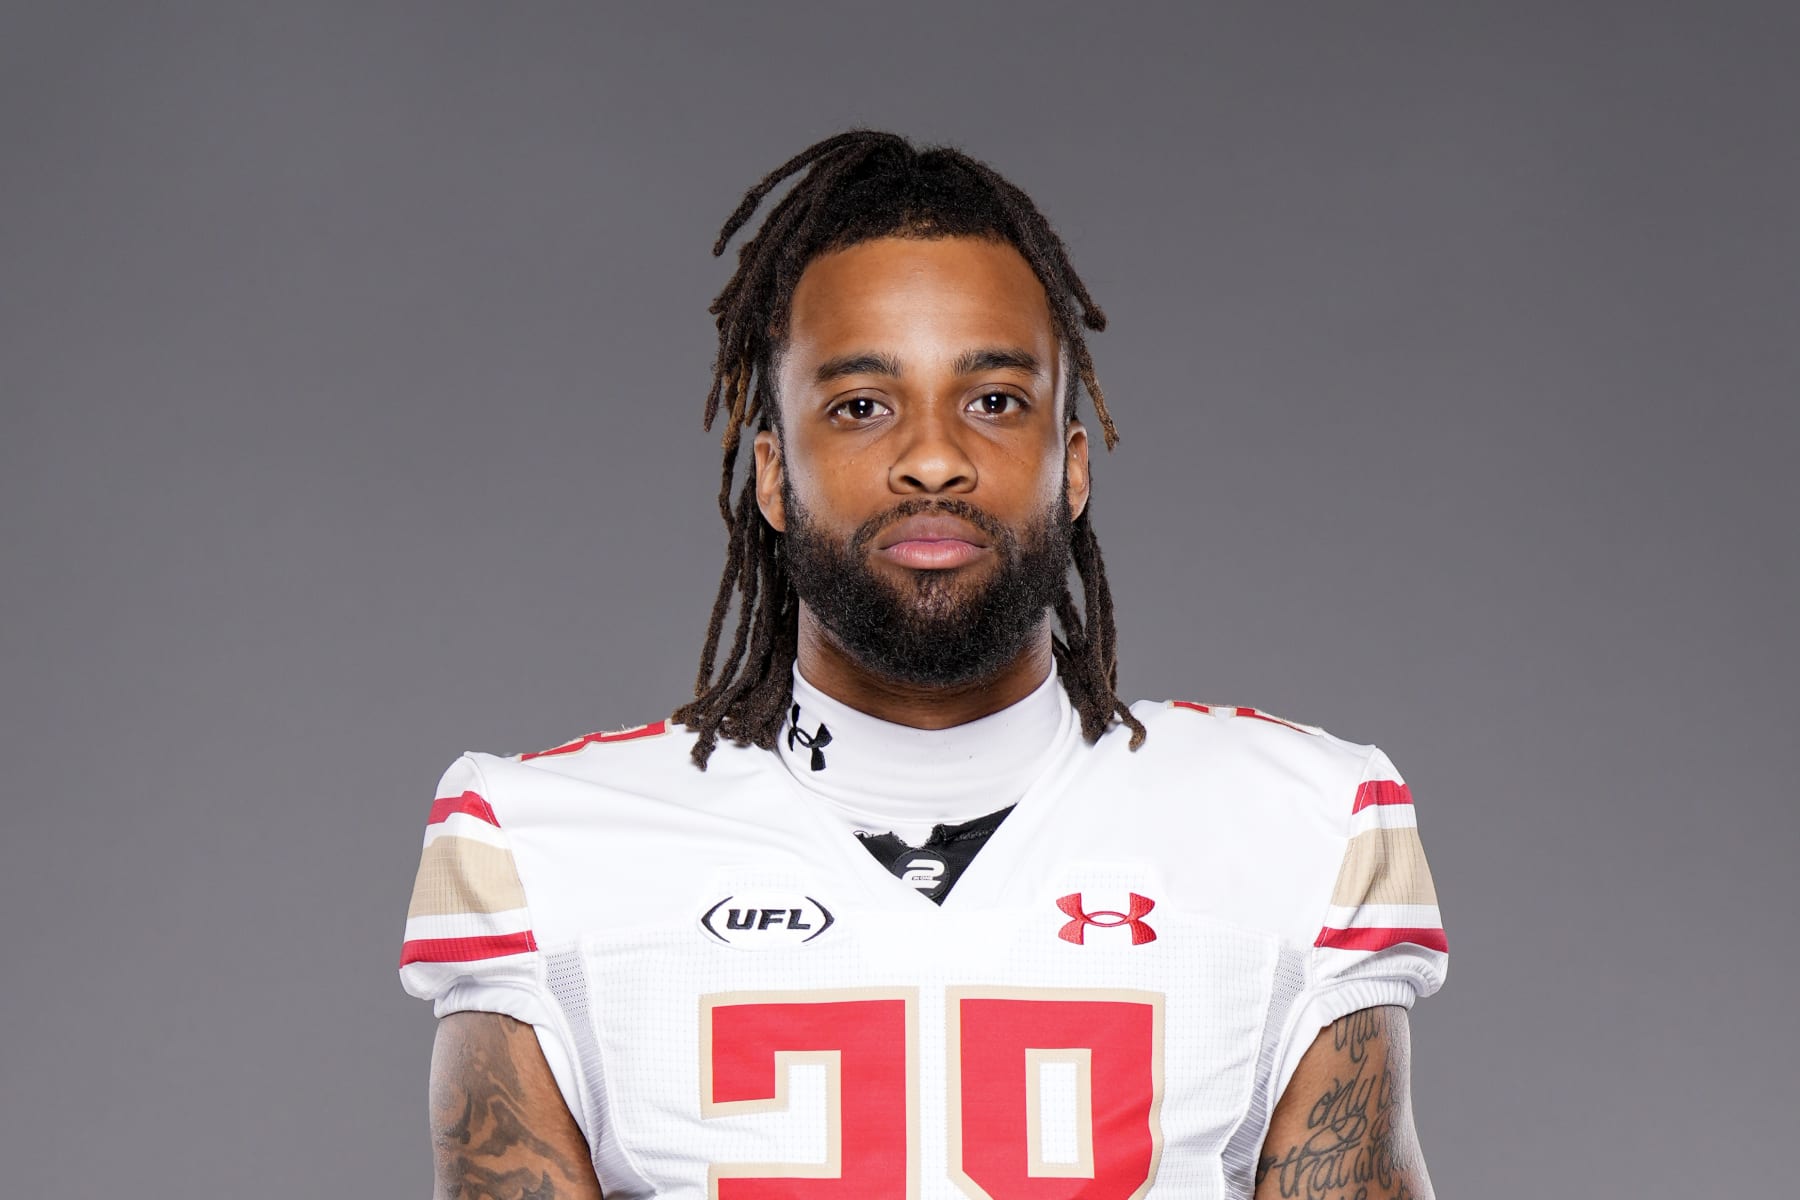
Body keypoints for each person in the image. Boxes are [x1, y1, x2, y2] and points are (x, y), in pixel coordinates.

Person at [400, 130, 1446, 1200]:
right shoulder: (542, 848)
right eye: (861, 405)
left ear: (1071, 464)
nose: (934, 457)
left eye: (993, 399)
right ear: (772, 474)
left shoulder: (1299, 829)